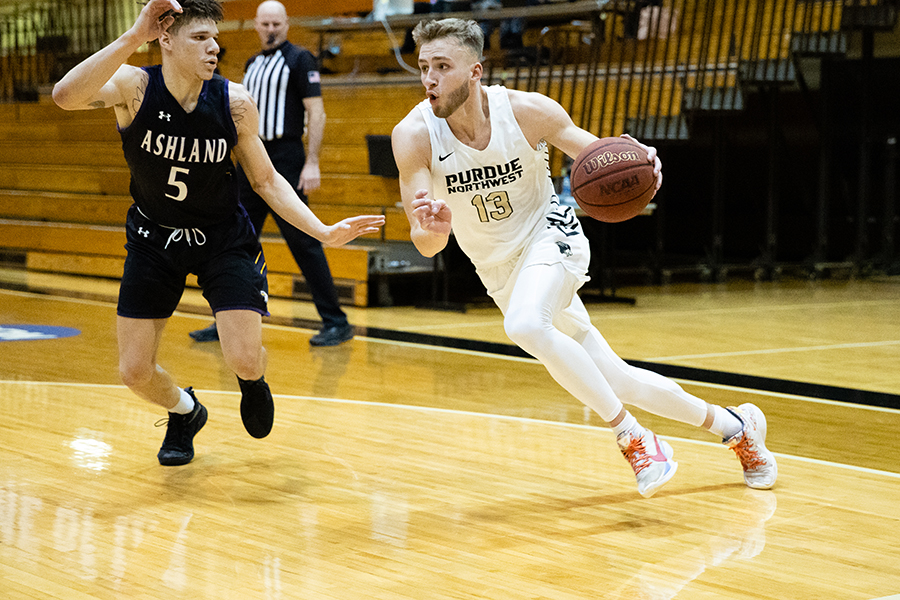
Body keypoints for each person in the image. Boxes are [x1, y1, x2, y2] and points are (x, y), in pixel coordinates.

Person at [391, 18, 777, 497]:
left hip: (550, 237)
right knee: (618, 377)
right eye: (424, 66)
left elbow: (600, 156)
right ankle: (736, 427)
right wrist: (433, 230)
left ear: (475, 71)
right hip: (499, 269)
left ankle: (634, 438)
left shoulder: (527, 112)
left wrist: (641, 160)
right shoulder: (413, 135)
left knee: (527, 327)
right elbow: (425, 243)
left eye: (443, 66)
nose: (430, 77)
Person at [51, 0, 384, 466]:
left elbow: (266, 181)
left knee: (245, 358)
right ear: (165, 39)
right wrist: (131, 37)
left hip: (221, 240)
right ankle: (185, 412)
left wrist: (322, 230)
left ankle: (253, 381)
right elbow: (64, 96)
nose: (215, 46)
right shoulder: (135, 87)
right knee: (133, 371)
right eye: (200, 38)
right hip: (153, 241)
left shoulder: (234, 101)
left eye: (215, 37)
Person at [189, 0, 353, 347]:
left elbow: (317, 113)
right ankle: (228, 318)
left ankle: (336, 321)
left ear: (287, 24)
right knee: (235, 240)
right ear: (256, 26)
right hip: (251, 156)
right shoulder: (252, 63)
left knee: (304, 241)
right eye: (265, 24)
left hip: (286, 157)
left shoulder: (300, 59)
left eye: (277, 23)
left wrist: (312, 162)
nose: (271, 29)